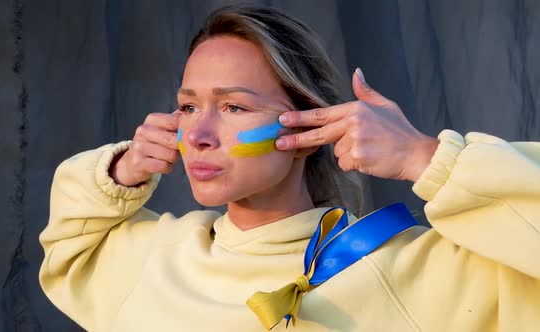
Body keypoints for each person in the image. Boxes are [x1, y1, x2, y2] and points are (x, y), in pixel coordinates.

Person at [38, 4, 540, 332]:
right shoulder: (146, 259)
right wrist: (120, 171)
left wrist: (425, 157)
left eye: (234, 108)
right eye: (188, 107)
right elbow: (67, 243)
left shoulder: (430, 270)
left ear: (305, 129)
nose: (197, 134)